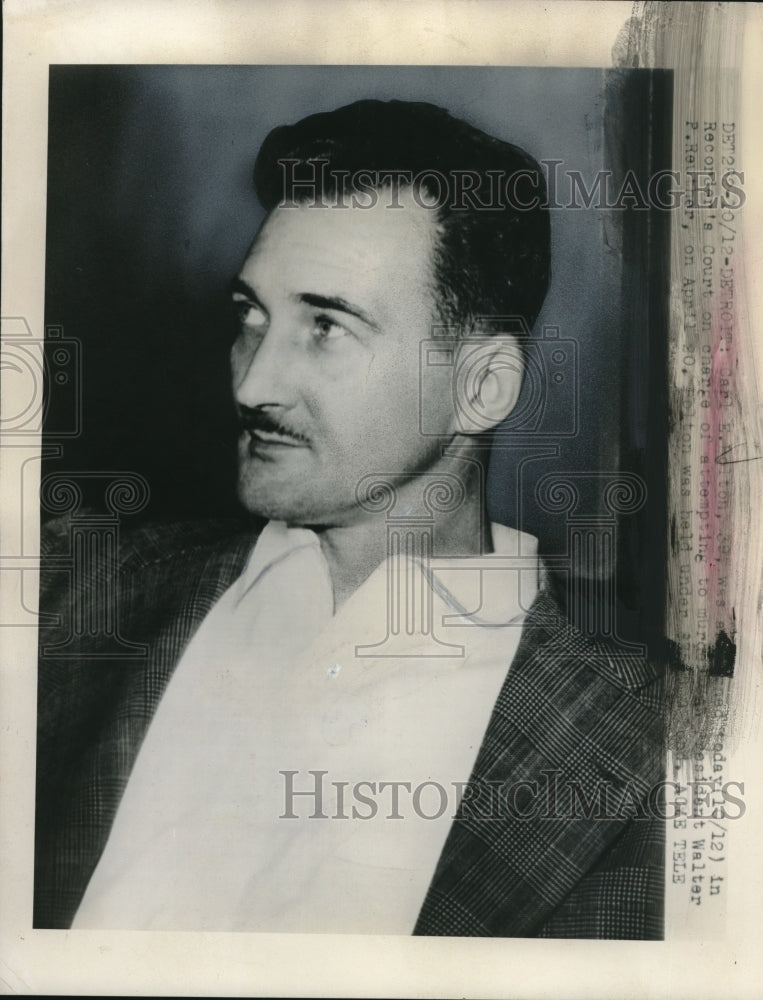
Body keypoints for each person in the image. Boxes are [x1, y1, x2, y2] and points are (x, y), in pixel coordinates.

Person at [34, 99, 665, 937]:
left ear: (483, 386)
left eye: (326, 326)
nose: (252, 383)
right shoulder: (69, 590)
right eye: (250, 316)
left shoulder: (646, 756)